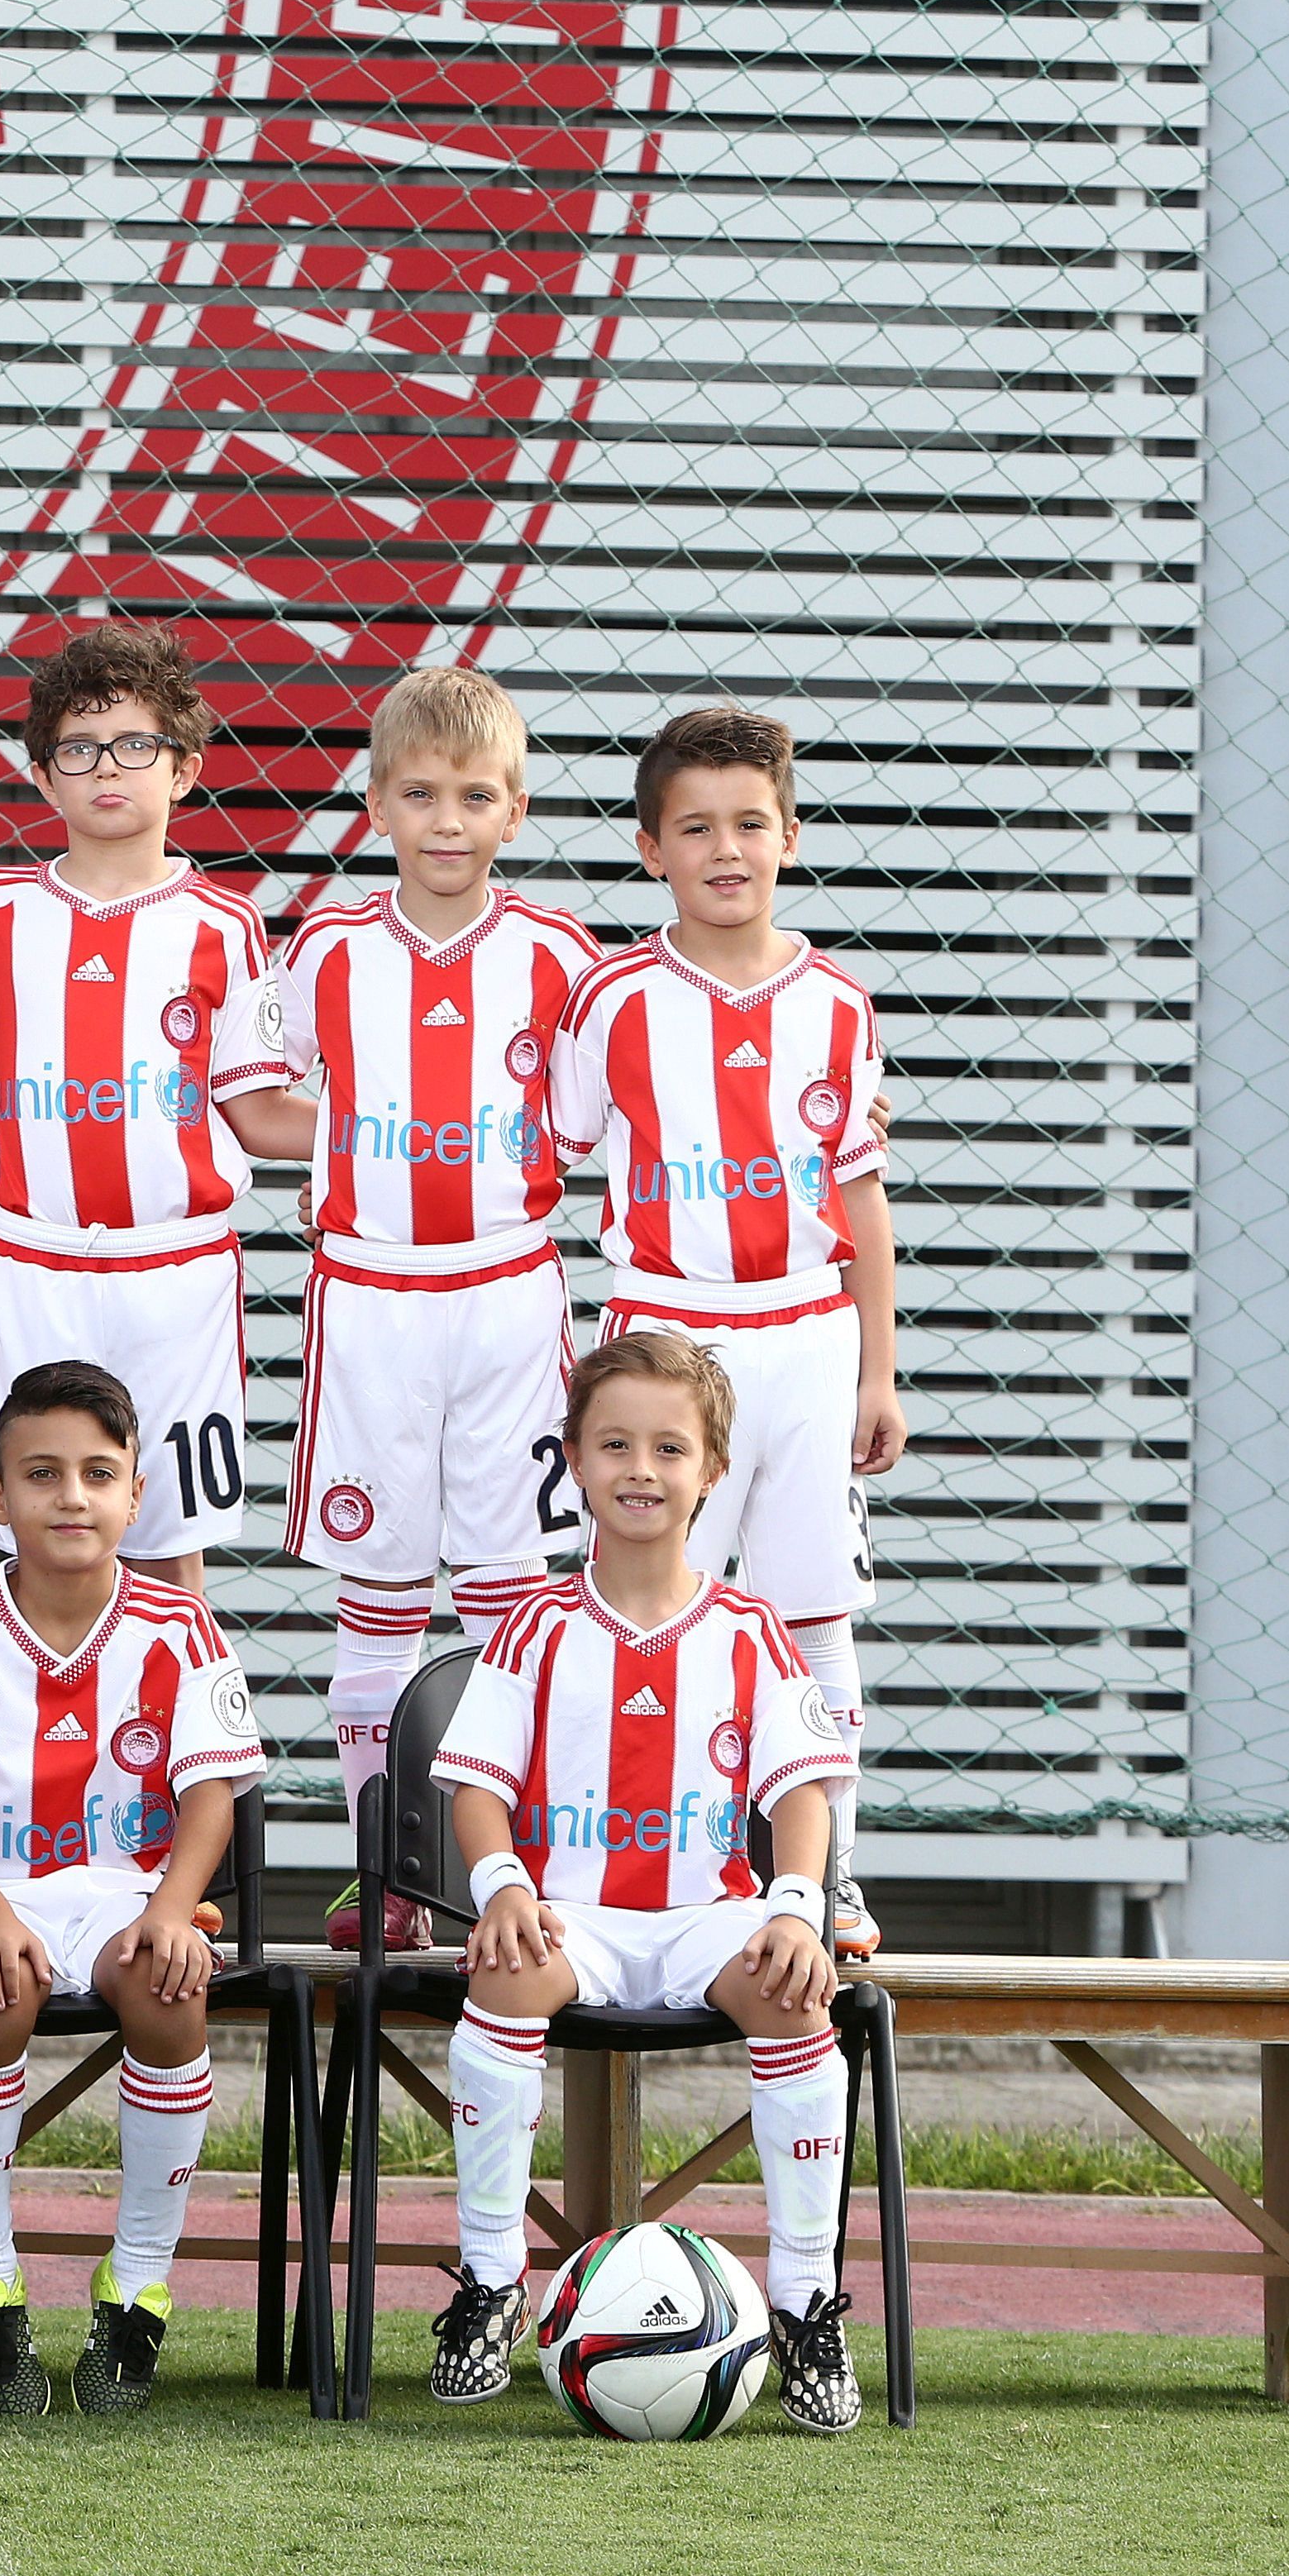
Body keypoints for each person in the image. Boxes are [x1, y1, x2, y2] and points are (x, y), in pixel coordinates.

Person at [426, 1328, 864, 2429]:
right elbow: (475, 1789)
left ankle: (808, 2305)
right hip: (571, 1914)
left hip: (707, 1916)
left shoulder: (753, 1633)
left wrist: (796, 1911)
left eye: (669, 1449)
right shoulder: (531, 1630)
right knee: (506, 1977)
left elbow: (800, 1796)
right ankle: (491, 2285)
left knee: (793, 1987)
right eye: (615, 1444)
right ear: (573, 1458)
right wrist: (504, 1890)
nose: (640, 1469)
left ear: (712, 1471)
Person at [547, 706, 900, 1954]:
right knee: (629, 1598)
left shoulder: (839, 1005)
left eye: (751, 822)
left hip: (804, 1331)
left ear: (790, 837)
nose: (726, 848)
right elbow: (564, 1157)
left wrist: (878, 1369)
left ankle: (830, 1874)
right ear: (654, 851)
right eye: (695, 827)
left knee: (810, 1616)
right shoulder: (613, 1000)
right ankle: (593, 1865)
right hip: (665, 1334)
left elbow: (859, 1195)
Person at [273, 665, 601, 1944]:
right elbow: (256, 1099)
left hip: (511, 1295)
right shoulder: (328, 953)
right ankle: (388, 1866)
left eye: (474, 795)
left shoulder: (562, 957)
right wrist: (367, 1153)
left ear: (513, 810)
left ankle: (507, 1868)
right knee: (379, 1591)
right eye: (421, 794)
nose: (447, 819)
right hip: (371, 1298)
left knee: (516, 1596)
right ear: (378, 805)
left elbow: (611, 1108)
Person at [0, 1359, 259, 2420]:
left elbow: (211, 1797)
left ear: (135, 1496)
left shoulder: (181, 1627)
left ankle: (136, 2285)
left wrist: (167, 1909)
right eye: (42, 1473)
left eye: (99, 1474)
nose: (71, 1496)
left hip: (128, 1891)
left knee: (168, 1988)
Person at [0, 624, 308, 1598]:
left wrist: (374, 1151)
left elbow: (256, 1108)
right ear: (43, 778)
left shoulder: (226, 924)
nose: (107, 769)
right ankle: (40, 1746)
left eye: (136, 745)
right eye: (78, 750)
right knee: (42, 1533)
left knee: (167, 1542)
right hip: (38, 1258)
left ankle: (192, 1749)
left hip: (175, 1269)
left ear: (183, 770)